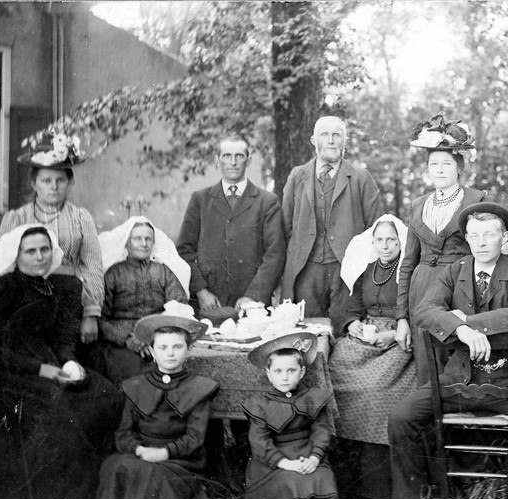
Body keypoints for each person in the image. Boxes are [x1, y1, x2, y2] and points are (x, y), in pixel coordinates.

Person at [380, 204, 508, 499]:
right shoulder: (453, 271)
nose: (481, 242)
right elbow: (425, 310)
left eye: (489, 234)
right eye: (474, 235)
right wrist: (460, 331)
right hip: (460, 377)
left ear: (504, 237)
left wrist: (470, 323)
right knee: (401, 416)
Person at [0, 225, 123, 499]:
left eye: (44, 250)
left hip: (47, 363)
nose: (39, 257)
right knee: (65, 412)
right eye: (31, 251)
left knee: (108, 395)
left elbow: (62, 338)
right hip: (3, 372)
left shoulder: (54, 287)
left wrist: (67, 361)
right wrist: (44, 370)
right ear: (17, 255)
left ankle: (101, 491)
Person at [89, 302, 218, 499]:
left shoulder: (198, 388)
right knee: (115, 464)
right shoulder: (137, 385)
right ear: (152, 351)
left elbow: (195, 437)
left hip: (180, 460)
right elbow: (124, 432)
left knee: (153, 471)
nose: (170, 353)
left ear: (188, 350)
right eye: (163, 347)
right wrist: (139, 450)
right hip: (142, 451)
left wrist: (164, 453)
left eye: (178, 347)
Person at [329, 214, 417, 499]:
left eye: (391, 240)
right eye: (379, 240)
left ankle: (377, 489)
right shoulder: (367, 270)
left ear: (400, 242)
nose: (385, 245)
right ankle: (346, 483)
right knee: (336, 373)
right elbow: (353, 306)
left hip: (397, 341)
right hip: (365, 337)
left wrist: (391, 334)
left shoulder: (409, 272)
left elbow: (414, 313)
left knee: (376, 392)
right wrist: (352, 323)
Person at [395, 114, 486, 385]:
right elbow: (407, 264)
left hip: (460, 287)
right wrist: (401, 317)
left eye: (446, 163)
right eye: (434, 164)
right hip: (421, 291)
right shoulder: (418, 205)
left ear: (459, 167)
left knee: (461, 365)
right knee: (427, 367)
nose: (440, 170)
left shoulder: (476, 199)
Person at [0, 133, 104, 344]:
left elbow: (92, 268)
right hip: (26, 304)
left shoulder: (81, 218)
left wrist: (90, 314)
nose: (54, 187)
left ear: (70, 182)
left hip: (70, 302)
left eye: (60, 180)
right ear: (33, 183)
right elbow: (2, 268)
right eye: (46, 180)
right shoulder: (17, 218)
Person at [281, 116, 383, 328]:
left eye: (336, 135)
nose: (330, 140)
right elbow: (286, 226)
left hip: (347, 271)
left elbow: (376, 229)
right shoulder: (297, 176)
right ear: (313, 140)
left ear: (344, 141)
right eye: (324, 135)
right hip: (305, 271)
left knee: (344, 329)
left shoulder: (360, 178)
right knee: (306, 332)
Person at [242, 333, 338, 499]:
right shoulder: (260, 404)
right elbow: (259, 440)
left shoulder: (313, 397)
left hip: (306, 450)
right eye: (278, 371)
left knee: (320, 474)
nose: (284, 377)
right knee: (279, 479)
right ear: (268, 373)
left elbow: (321, 430)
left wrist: (315, 457)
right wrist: (284, 463)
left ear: (302, 372)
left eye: (291, 370)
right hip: (274, 456)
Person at [176, 135, 285, 321]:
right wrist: (201, 291)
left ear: (248, 160)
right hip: (209, 303)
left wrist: (253, 295)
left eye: (239, 156)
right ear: (217, 160)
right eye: (227, 156)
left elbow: (275, 254)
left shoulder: (267, 202)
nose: (233, 162)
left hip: (252, 307)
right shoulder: (200, 200)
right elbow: (184, 251)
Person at [95, 217, 191, 383]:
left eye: (148, 239)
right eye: (137, 238)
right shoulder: (113, 274)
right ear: (127, 243)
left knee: (166, 370)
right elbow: (100, 318)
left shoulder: (163, 272)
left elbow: (178, 307)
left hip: (158, 338)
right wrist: (127, 339)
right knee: (132, 374)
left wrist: (151, 336)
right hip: (121, 342)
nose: (144, 243)